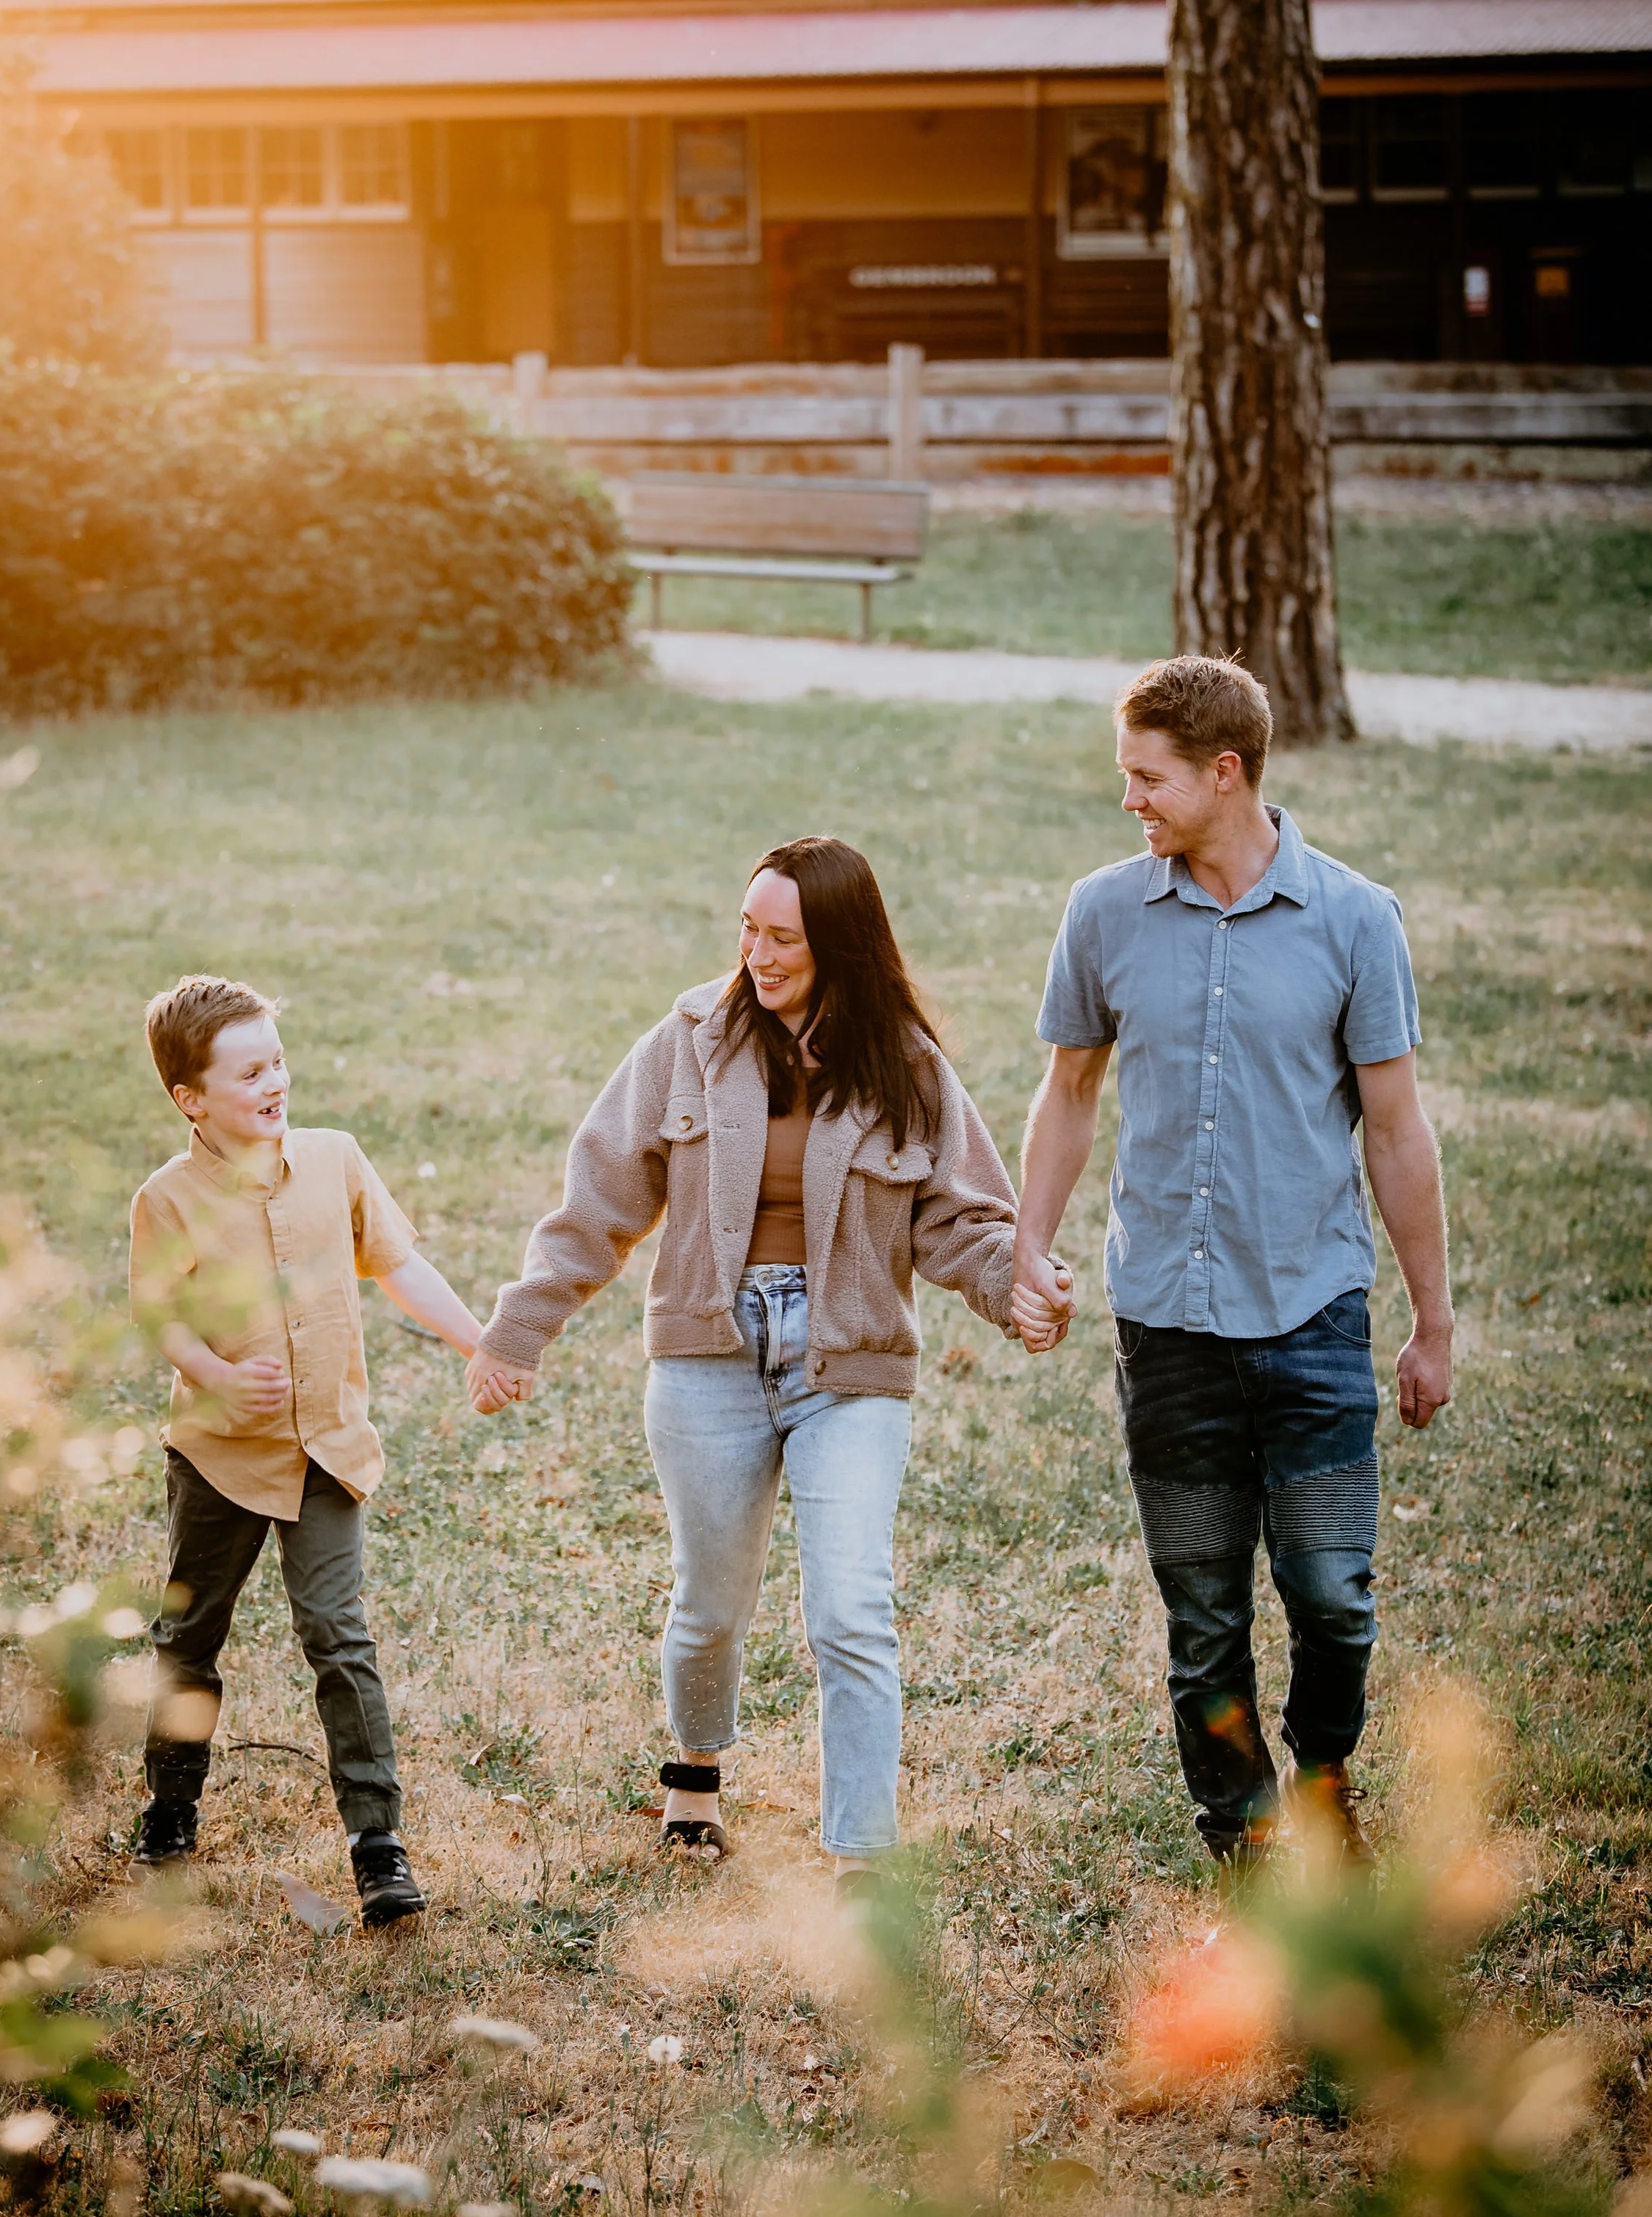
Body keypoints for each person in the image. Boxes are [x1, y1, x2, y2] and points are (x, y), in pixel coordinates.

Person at [464, 836, 1022, 1894]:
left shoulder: (906, 1065)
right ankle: (695, 1773)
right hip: (709, 1356)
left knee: (852, 1610)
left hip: (848, 1360)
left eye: (783, 939)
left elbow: (963, 1219)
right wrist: (519, 1328)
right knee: (710, 1608)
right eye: (747, 930)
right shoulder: (688, 1043)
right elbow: (599, 1198)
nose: (756, 956)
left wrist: (1015, 1288)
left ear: (841, 946)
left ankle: (861, 1854)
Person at [1012, 657, 1453, 1871]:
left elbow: (1397, 1131)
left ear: (1224, 773)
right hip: (1166, 1325)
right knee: (1203, 1613)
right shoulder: (1104, 912)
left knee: (1332, 1596)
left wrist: (1432, 1322)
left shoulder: (1356, 920)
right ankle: (1241, 1830)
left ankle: (1323, 1778)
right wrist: (1029, 1244)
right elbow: (1068, 1092)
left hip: (1313, 1319)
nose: (1129, 801)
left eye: (1147, 779)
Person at [127, 972, 485, 1925]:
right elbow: (160, 1316)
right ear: (191, 1099)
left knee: (339, 1635)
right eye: (249, 1074)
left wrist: (480, 1342)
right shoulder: (167, 1200)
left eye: (278, 1062)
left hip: (328, 1448)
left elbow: (399, 1263)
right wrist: (215, 1373)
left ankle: (378, 1844)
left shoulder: (334, 1160)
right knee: (189, 1637)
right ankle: (171, 1804)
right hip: (221, 1459)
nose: (275, 1083)